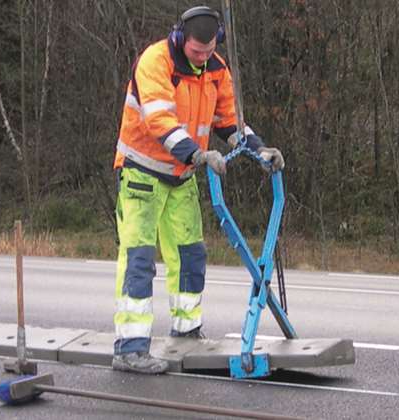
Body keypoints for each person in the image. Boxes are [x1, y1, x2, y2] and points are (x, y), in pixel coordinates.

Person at [112, 5, 284, 374]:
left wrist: (260, 150)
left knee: (191, 256)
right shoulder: (155, 62)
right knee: (139, 260)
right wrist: (198, 154)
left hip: (182, 177)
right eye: (196, 52)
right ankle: (129, 348)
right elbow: (160, 120)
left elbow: (229, 122)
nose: (203, 58)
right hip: (142, 175)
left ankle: (186, 332)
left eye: (209, 51)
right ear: (180, 39)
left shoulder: (217, 68)